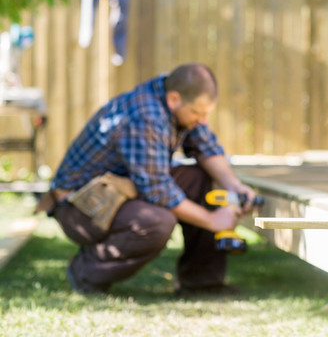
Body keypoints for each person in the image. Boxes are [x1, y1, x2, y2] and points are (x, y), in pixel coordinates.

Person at [41, 62, 257, 296]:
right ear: (174, 99)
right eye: (197, 113)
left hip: (120, 189)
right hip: (79, 207)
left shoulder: (178, 99)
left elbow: (206, 147)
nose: (203, 120)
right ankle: (86, 272)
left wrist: (234, 186)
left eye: (206, 113)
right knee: (156, 222)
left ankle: (201, 282)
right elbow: (158, 189)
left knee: (199, 178)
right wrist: (212, 220)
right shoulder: (146, 116)